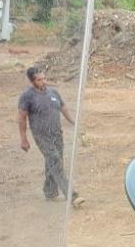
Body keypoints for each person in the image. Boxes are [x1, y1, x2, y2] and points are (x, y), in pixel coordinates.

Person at [18, 65, 85, 207]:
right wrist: (23, 139)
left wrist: (73, 122)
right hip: (41, 136)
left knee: (54, 162)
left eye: (44, 78)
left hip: (56, 133)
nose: (44, 82)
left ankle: (50, 192)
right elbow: (22, 118)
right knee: (54, 160)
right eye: (39, 80)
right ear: (32, 81)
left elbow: (63, 107)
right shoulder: (27, 96)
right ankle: (72, 195)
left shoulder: (53, 92)